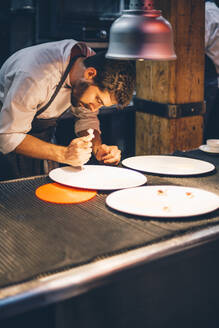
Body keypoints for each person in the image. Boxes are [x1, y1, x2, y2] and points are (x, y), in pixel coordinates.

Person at [0, 39, 136, 180]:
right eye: (98, 100)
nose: (94, 108)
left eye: (101, 105)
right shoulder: (35, 76)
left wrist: (98, 148)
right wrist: (64, 154)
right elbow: (8, 136)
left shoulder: (89, 63)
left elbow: (87, 117)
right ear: (90, 74)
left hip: (42, 135)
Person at [204, 0, 219, 141]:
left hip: (207, 78)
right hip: (211, 76)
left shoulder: (206, 11)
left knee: (204, 133)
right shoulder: (212, 10)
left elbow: (195, 45)